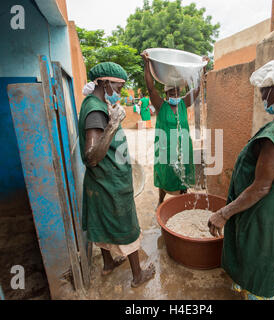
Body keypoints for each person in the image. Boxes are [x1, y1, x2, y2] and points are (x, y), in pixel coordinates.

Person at [207, 58, 274, 300]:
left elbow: (261, 187)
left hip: (261, 214)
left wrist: (223, 213)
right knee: (263, 262)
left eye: (264, 91)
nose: (262, 96)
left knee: (257, 270)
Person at [79, 62, 155, 288]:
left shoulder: (96, 104)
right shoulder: (95, 109)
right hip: (109, 182)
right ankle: (137, 275)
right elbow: (92, 156)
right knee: (127, 226)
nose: (120, 92)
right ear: (103, 82)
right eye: (118, 87)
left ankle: (108, 264)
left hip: (104, 179)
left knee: (101, 222)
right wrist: (113, 124)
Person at [141, 50, 208, 206]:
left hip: (184, 147)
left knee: (184, 172)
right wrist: (146, 63)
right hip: (165, 148)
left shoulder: (184, 103)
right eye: (172, 92)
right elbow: (151, 89)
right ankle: (160, 200)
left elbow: (197, 89)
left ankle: (182, 198)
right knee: (165, 174)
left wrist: (202, 69)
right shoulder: (160, 106)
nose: (175, 94)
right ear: (166, 94)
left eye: (177, 91)